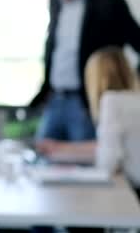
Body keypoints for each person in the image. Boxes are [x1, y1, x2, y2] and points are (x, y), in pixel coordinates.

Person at [30, 0, 140, 142]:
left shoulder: (111, 4)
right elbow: (54, 47)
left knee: (86, 164)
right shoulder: (55, 1)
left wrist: (133, 86)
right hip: (55, 98)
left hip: (86, 102)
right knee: (40, 156)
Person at [37, 48, 139, 187]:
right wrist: (60, 149)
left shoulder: (111, 100)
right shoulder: (132, 99)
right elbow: (112, 147)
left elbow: (108, 162)